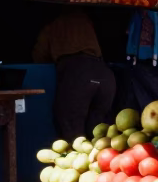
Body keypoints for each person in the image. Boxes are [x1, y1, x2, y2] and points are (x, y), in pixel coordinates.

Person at [33, 9, 116, 139]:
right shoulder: (85, 20)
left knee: (72, 131)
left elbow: (39, 57)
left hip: (78, 76)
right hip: (105, 75)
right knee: (100, 132)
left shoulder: (52, 27)